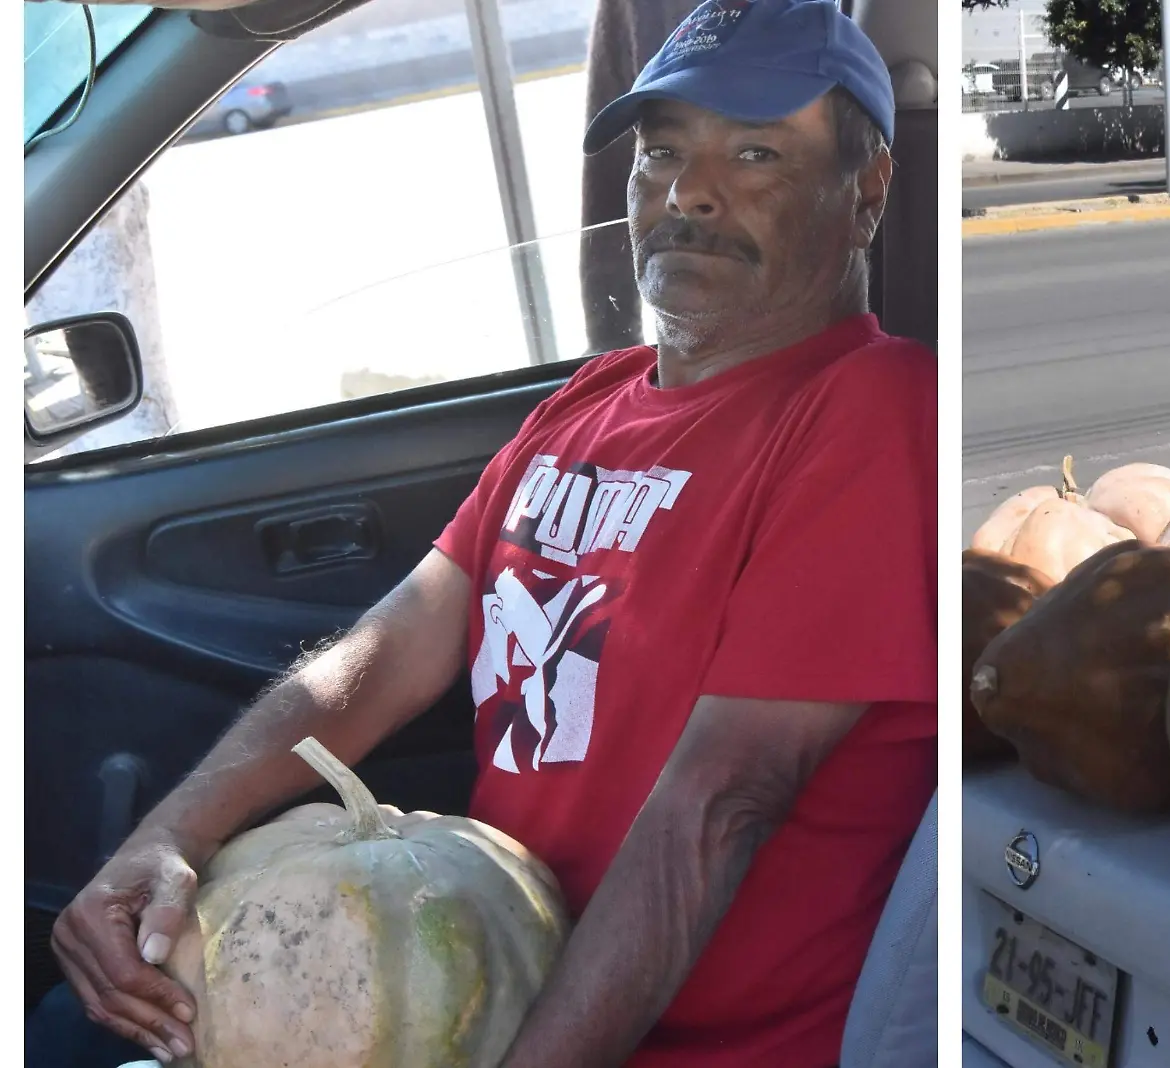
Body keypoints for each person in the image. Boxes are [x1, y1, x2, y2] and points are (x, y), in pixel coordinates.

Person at [30, 1, 936, 1066]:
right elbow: (392, 647)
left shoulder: (870, 409)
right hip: (477, 987)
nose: (688, 191)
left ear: (864, 192)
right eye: (661, 153)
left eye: (755, 154)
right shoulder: (584, 405)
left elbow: (721, 801)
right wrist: (169, 835)